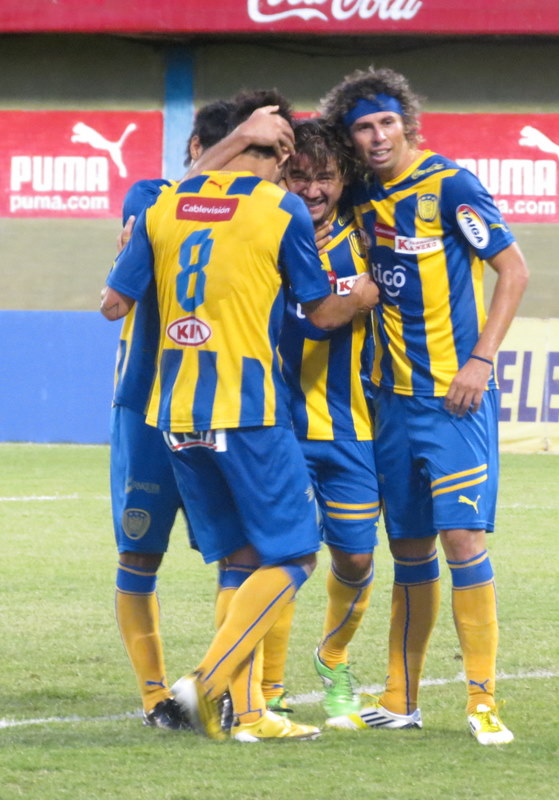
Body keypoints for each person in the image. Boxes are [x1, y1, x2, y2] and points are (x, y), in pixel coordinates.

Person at [100, 89, 379, 743]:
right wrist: (363, 294)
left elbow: (112, 304)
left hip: (172, 412)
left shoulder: (165, 205)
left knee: (243, 556)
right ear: (278, 153)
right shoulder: (277, 208)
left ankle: (248, 712)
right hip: (246, 408)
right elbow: (317, 310)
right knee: (295, 555)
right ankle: (205, 685)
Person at [319, 67, 529, 745]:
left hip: (452, 400)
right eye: (363, 126)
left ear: (406, 122)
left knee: (463, 541)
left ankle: (482, 701)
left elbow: (514, 270)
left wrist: (481, 360)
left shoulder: (451, 186)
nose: (377, 136)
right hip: (388, 402)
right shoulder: (358, 195)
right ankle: (401, 698)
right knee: (408, 550)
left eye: (386, 122)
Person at [110, 100, 233, 731]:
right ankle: (155, 695)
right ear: (196, 149)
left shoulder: (264, 211)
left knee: (239, 554)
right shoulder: (151, 196)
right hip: (146, 404)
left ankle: (223, 683)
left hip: (223, 406)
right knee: (139, 553)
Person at [276, 118, 379, 719]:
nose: (312, 190)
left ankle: (333, 658)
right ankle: (267, 689)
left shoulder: (365, 239)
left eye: (326, 178)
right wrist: (351, 301)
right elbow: (309, 321)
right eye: (299, 176)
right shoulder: (263, 233)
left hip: (350, 428)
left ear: (343, 180)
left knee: (356, 559)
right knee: (278, 560)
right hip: (275, 427)